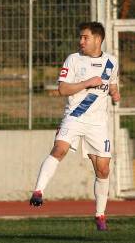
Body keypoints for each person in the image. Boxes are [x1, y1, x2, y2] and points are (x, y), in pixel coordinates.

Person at [30, 21, 119, 231]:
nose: (81, 41)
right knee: (59, 148)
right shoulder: (73, 59)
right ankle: (38, 191)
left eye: (85, 38)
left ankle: (100, 215)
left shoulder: (111, 62)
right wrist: (87, 82)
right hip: (75, 117)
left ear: (98, 39)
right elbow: (62, 89)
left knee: (103, 169)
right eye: (80, 37)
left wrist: (115, 93)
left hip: (98, 124)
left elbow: (113, 84)